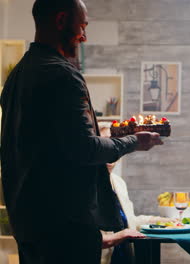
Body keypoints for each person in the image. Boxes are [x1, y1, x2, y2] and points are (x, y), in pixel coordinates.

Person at [0, 0, 162, 263]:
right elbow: (85, 149)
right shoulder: (62, 75)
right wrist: (135, 141)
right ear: (61, 20)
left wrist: (109, 139)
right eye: (82, 26)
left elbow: (53, 146)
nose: (84, 37)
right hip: (66, 229)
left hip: (28, 225)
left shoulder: (17, 76)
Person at [98, 123, 171, 264]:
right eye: (105, 145)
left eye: (114, 144)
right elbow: (77, 238)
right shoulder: (85, 186)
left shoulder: (118, 182)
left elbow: (128, 222)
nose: (111, 150)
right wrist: (119, 236)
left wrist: (163, 221)